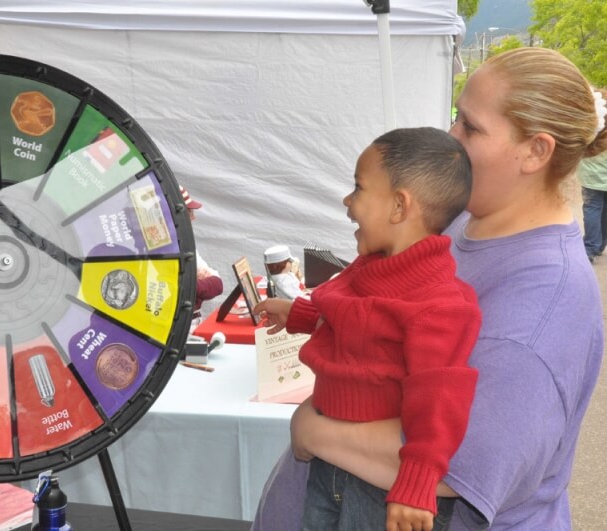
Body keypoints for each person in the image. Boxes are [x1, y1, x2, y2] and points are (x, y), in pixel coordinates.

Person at [251, 47, 606, 530]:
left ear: (536, 152)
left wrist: (313, 429)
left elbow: (463, 463)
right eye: (456, 117)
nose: (450, 138)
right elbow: (373, 308)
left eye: (470, 126)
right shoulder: (457, 220)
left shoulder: (545, 298)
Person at [254, 127, 482, 530]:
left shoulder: (442, 306)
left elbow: (439, 402)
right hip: (332, 466)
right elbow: (356, 319)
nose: (347, 201)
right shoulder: (371, 266)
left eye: (358, 188)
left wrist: (415, 484)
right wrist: (299, 315)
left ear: (398, 206)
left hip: (381, 488)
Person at [181, 185, 223, 330]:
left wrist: (193, 286)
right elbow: (178, 288)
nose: (193, 217)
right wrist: (195, 283)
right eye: (189, 212)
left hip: (192, 324)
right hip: (179, 329)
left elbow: (217, 284)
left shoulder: (186, 244)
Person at [577, 88, 607, 263]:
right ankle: (600, 243)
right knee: (604, 212)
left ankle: (590, 247)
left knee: (593, 209)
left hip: (591, 179)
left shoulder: (591, 128)